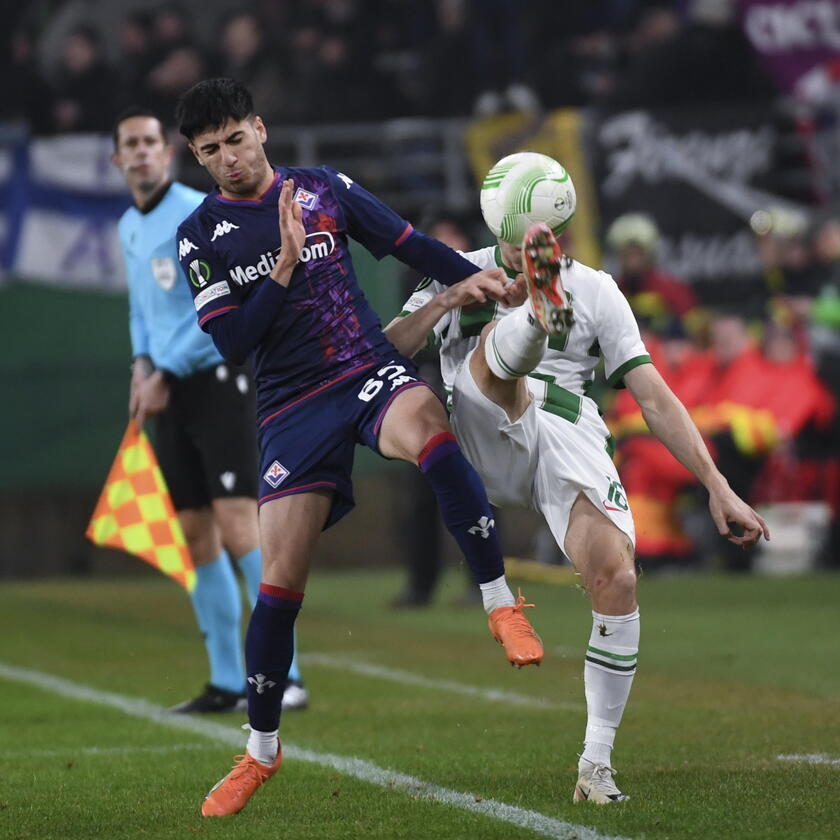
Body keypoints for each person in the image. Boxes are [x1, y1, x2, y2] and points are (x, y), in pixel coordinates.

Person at [173, 78, 541, 817]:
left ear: (260, 128)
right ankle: (260, 752)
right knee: (279, 585)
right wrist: (281, 264)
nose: (228, 160)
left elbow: (406, 243)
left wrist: (474, 279)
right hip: (289, 407)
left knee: (432, 435)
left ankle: (500, 599)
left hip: (365, 369)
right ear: (198, 155)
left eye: (236, 140)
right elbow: (236, 344)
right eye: (210, 151)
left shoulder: (323, 189)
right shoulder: (199, 236)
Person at [385, 152, 769, 803]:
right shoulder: (456, 272)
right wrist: (449, 297)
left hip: (567, 431)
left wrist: (717, 483)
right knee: (495, 369)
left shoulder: (597, 287)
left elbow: (654, 397)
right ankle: (537, 317)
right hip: (481, 424)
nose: (548, 239)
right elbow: (385, 351)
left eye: (551, 235)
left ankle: (595, 766)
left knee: (615, 578)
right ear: (503, 226)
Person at [111, 106, 308, 714]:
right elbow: (143, 310)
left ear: (166, 153)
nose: (142, 151)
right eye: (130, 145)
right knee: (194, 531)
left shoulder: (195, 217)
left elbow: (218, 315)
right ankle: (227, 680)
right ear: (118, 160)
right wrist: (142, 366)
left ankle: (285, 675)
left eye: (150, 141)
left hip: (214, 380)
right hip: (165, 389)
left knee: (237, 521)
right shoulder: (128, 226)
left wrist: (165, 369)